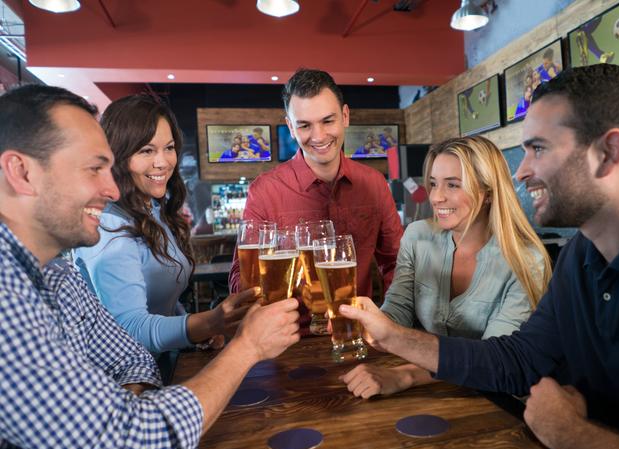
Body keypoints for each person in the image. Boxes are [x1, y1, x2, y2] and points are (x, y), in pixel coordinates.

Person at [339, 64, 619, 449]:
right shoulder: (580, 255)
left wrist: (568, 432)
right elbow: (516, 360)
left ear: (609, 152)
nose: (520, 172)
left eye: (538, 149)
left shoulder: (534, 257)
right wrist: (392, 336)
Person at [0, 84, 300, 449]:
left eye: (110, 168)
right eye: (93, 168)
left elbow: (130, 355)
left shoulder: (56, 272)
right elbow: (134, 448)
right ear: (21, 172)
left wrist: (108, 432)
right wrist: (247, 346)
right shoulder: (7, 298)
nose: (110, 189)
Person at [341, 136, 551, 398]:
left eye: (452, 185)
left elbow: (495, 360)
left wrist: (406, 375)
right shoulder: (417, 236)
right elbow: (398, 309)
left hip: (496, 401)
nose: (436, 197)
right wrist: (368, 322)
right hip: (436, 396)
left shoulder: (527, 260)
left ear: (487, 193)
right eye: (433, 184)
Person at [74, 95, 249, 382]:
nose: (162, 162)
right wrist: (205, 323)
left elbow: (159, 304)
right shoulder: (109, 227)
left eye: (169, 148)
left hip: (156, 366)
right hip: (119, 384)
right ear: (117, 155)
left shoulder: (152, 209)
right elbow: (129, 328)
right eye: (146, 150)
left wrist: (193, 332)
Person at [228, 68, 403, 310]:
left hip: (353, 329)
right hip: (285, 335)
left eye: (328, 121)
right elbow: (240, 278)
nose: (318, 136)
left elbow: (397, 263)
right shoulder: (265, 191)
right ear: (290, 127)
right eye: (304, 126)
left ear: (345, 116)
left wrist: (390, 316)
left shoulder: (374, 183)